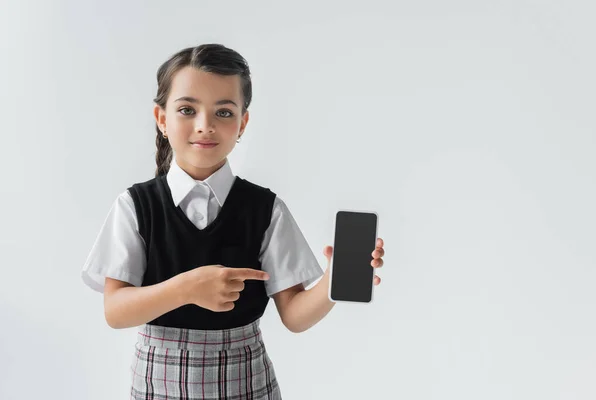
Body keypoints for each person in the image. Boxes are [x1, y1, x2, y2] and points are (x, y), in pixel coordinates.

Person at [81, 43, 385, 399]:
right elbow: (115, 311)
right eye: (186, 109)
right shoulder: (135, 206)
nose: (204, 125)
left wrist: (336, 280)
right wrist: (187, 288)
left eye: (223, 113)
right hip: (157, 384)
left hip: (246, 383)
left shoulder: (265, 209)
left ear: (242, 123)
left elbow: (295, 315)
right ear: (162, 119)